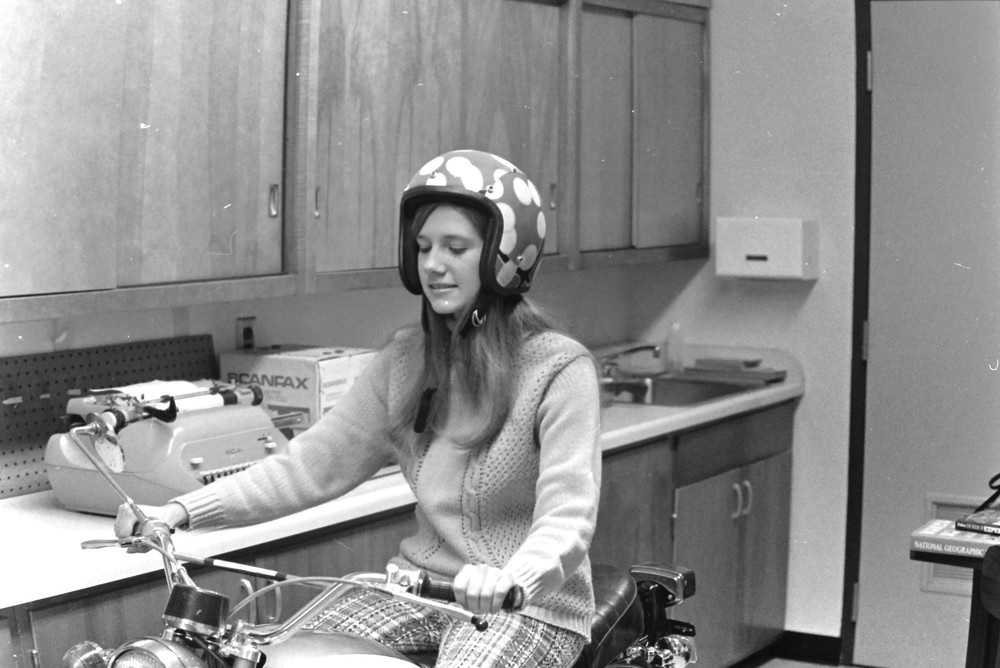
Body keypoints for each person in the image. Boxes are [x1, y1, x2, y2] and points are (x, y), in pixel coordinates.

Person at [114, 149, 602, 668]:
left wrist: (514, 578)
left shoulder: (559, 369)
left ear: (504, 259)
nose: (432, 264)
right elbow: (311, 462)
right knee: (282, 659)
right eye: (422, 247)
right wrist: (181, 511)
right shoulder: (407, 361)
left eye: (456, 248)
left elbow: (568, 514)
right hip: (418, 589)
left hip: (526, 606)